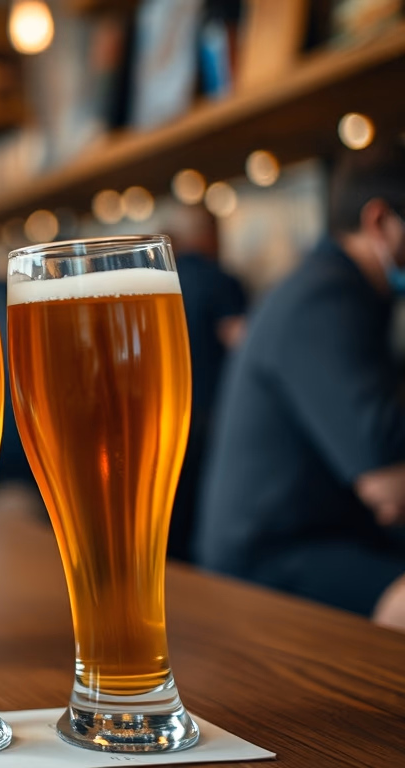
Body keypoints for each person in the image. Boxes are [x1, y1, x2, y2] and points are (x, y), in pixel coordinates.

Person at [197, 141, 405, 632]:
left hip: (326, 536)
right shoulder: (325, 298)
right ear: (379, 222)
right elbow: (386, 480)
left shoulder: (347, 290)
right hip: (265, 564)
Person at [166, 205, 247, 562]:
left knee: (170, 512)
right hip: (211, 418)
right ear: (207, 234)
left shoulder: (157, 277)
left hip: (162, 418)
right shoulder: (219, 278)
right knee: (203, 505)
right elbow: (241, 342)